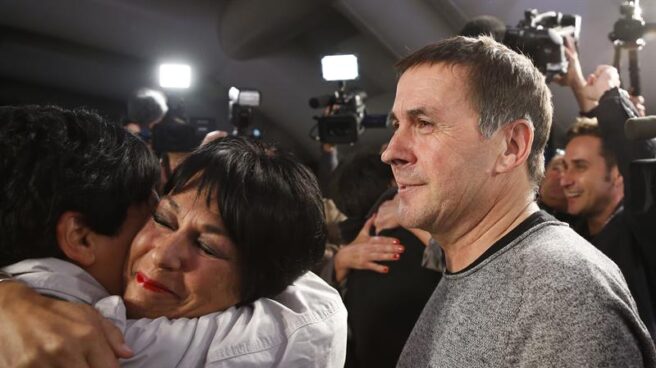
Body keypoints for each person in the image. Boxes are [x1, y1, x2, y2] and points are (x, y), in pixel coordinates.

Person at [380, 35, 656, 367]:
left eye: (423, 124)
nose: (390, 152)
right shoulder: (482, 271)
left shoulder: (561, 299)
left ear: (511, 146)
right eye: (398, 125)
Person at [0, 107, 347, 367]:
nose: (164, 254)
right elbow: (317, 314)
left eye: (207, 246)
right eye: (161, 219)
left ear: (258, 287)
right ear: (80, 236)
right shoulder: (84, 339)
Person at [560, 79, 656, 338]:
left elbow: (643, 167)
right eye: (564, 166)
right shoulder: (567, 236)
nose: (565, 180)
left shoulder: (643, 233)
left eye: (580, 166)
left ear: (617, 174)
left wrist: (610, 96)